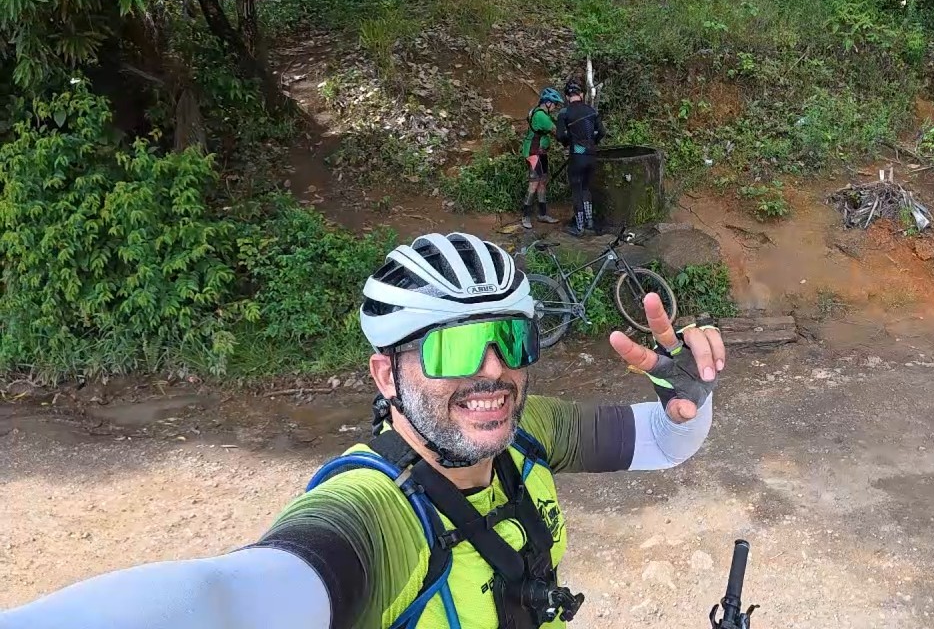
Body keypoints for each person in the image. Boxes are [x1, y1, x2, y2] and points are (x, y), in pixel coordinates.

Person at [0, 232, 726, 629]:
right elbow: (226, 598)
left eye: (510, 338)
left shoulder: (526, 430)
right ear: (386, 377)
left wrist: (688, 393)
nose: (493, 372)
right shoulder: (378, 512)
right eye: (450, 348)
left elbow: (664, 443)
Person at [555, 81, 605, 236]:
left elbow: (560, 135)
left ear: (567, 96)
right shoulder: (591, 111)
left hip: (577, 155)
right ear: (581, 95)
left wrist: (567, 142)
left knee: (576, 189)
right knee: (586, 188)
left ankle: (579, 226)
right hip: (591, 155)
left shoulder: (564, 113)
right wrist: (592, 143)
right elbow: (601, 132)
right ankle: (589, 222)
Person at [521, 88, 563, 230]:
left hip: (541, 152)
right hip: (533, 152)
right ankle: (525, 216)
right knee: (534, 184)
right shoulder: (541, 116)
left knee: (542, 183)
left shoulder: (541, 112)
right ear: (548, 103)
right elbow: (557, 132)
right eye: (555, 104)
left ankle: (542, 214)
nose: (556, 107)